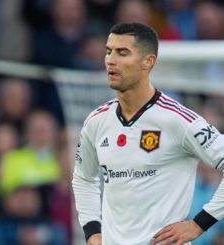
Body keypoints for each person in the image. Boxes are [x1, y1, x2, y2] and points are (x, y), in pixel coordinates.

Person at [72, 22, 224, 245]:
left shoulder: (178, 120)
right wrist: (92, 231)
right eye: (108, 51)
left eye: (122, 53)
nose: (111, 60)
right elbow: (84, 178)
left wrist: (198, 224)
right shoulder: (96, 121)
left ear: (148, 61)